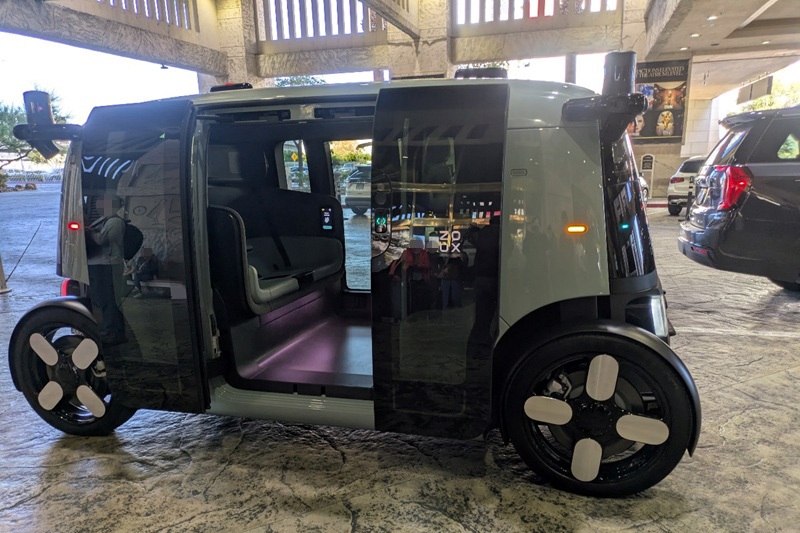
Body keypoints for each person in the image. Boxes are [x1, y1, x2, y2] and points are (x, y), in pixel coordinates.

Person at [86, 194, 127, 345]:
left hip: (107, 265)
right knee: (104, 299)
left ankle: (112, 332)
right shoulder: (105, 219)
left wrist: (90, 232)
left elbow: (102, 240)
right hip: (99, 264)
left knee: (108, 299)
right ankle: (115, 331)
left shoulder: (115, 221)